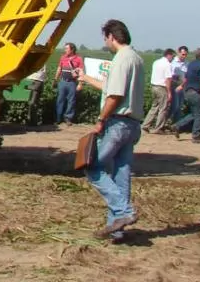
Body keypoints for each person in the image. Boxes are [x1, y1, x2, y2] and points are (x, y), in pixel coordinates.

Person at [74, 19, 144, 242]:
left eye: (105, 38)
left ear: (112, 37)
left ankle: (124, 213)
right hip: (132, 125)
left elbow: (115, 96)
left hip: (118, 123)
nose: (106, 42)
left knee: (92, 167)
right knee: (121, 174)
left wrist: (100, 119)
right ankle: (117, 229)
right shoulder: (136, 58)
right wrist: (85, 78)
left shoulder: (121, 60)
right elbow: (111, 87)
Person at [169, 47, 200, 141]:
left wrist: (182, 86)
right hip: (196, 92)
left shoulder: (191, 64)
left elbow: (186, 78)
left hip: (187, 92)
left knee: (194, 113)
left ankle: (177, 125)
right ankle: (196, 136)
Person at [142, 48, 175, 133]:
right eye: (172, 56)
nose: (173, 58)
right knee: (163, 108)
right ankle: (159, 127)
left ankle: (145, 125)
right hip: (161, 87)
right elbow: (168, 79)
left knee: (154, 107)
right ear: (169, 55)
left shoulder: (156, 62)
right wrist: (169, 92)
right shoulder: (167, 64)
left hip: (154, 86)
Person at [54, 42, 84, 126]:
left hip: (72, 83)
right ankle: (58, 118)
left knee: (71, 101)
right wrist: (55, 79)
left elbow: (81, 72)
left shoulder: (78, 59)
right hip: (63, 82)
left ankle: (68, 118)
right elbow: (59, 68)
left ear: (72, 49)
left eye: (67, 48)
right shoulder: (63, 58)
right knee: (60, 100)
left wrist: (80, 84)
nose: (65, 50)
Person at [169, 46, 189, 122]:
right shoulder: (173, 62)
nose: (184, 56)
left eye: (185, 54)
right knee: (175, 105)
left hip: (183, 86)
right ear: (179, 53)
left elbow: (187, 75)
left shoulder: (187, 63)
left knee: (180, 106)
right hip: (174, 86)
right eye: (183, 54)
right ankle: (167, 121)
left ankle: (176, 124)